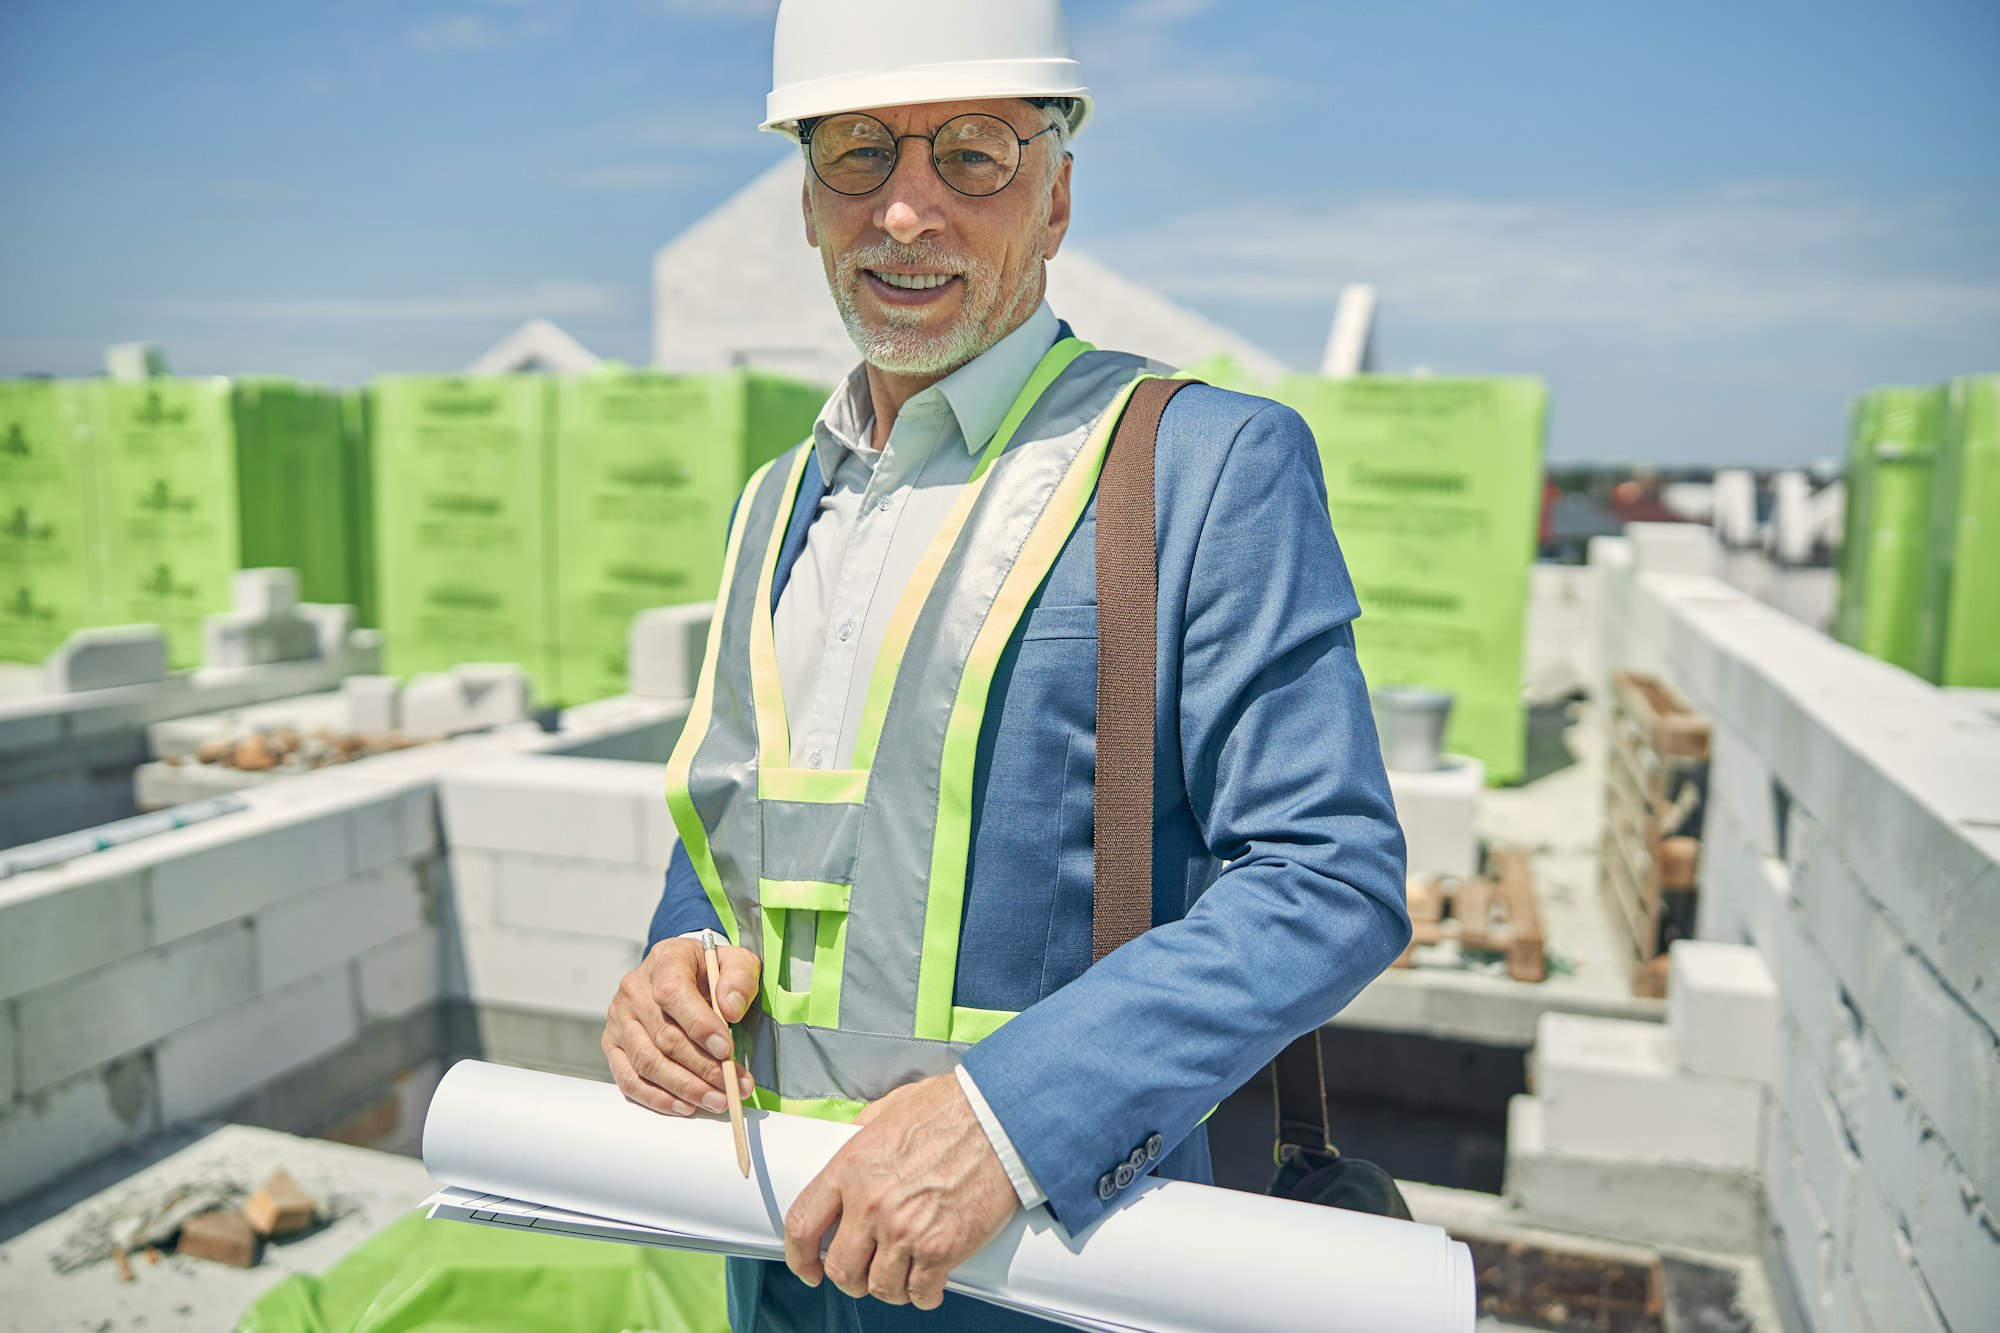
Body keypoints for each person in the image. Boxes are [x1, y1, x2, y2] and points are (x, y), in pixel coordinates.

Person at [600, 1, 1410, 1327]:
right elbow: (758, 828)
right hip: (777, 1248)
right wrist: (676, 960)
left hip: (1047, 1268)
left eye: (972, 154)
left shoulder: (1201, 466)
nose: (906, 211)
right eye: (858, 152)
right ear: (806, 198)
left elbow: (1330, 879)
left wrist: (1005, 1120)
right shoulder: (776, 499)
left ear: (1057, 195)